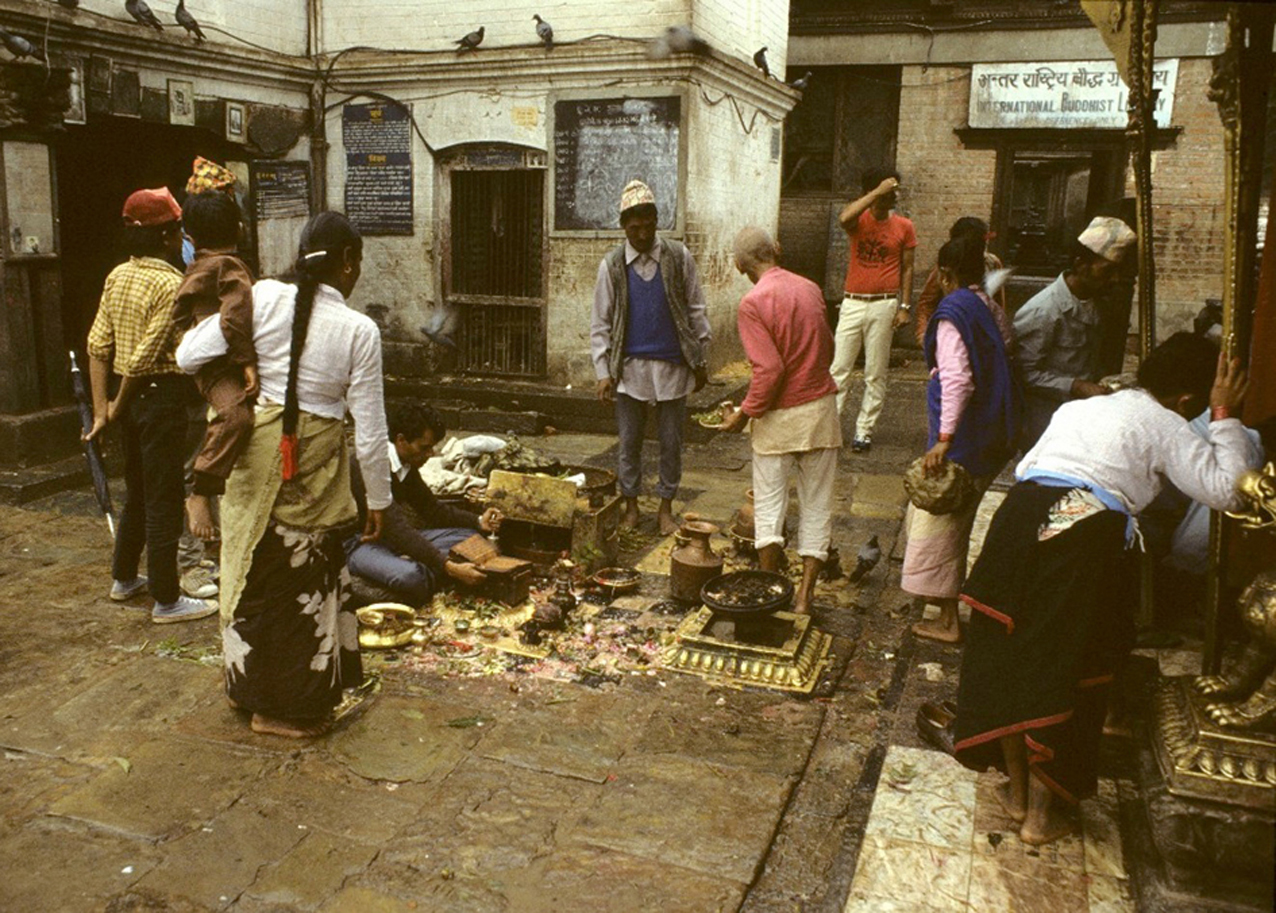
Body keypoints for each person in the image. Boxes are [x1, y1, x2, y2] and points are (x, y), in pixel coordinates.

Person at [952, 333, 1252, 846]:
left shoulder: (1084, 407)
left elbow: (1029, 466)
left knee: (1010, 656)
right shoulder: (1167, 424)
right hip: (1081, 536)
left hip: (1019, 521)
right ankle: (1040, 817)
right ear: (1185, 401)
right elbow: (1230, 492)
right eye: (1200, 404)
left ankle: (1018, 794)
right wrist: (1224, 415)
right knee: (1070, 666)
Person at [177, 211, 391, 739]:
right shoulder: (359, 330)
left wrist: (244, 366)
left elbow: (187, 356)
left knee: (254, 575)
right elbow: (369, 429)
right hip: (312, 467)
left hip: (252, 460)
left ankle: (245, 690)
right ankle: (279, 710)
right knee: (302, 588)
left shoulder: (263, 297)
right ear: (347, 263)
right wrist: (380, 501)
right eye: (357, 263)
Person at [84, 187, 218, 625]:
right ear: (167, 236)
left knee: (138, 492)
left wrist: (104, 405)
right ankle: (166, 598)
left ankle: (124, 577)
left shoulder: (117, 275)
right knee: (162, 499)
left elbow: (97, 344)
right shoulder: (168, 283)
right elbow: (142, 358)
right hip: (157, 397)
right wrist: (116, 405)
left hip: (132, 398)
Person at [719, 227, 841, 614]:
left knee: (769, 510)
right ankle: (804, 596)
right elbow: (829, 347)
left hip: (778, 420)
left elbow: (769, 370)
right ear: (777, 249)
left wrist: (744, 412)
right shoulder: (810, 288)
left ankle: (771, 592)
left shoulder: (753, 302)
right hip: (820, 411)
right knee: (817, 507)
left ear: (740, 265)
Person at [905, 235, 1020, 644]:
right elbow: (1006, 344)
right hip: (990, 430)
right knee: (955, 520)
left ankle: (948, 620)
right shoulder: (986, 304)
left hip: (966, 437)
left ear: (945, 273)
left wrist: (943, 439)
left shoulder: (952, 312)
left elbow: (958, 379)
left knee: (942, 523)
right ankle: (943, 609)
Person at [591, 179, 711, 534]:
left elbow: (696, 308)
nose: (641, 235)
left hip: (673, 364)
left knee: (671, 443)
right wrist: (603, 370)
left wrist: (700, 358)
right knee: (629, 443)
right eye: (634, 228)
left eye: (647, 226)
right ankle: (631, 506)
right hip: (630, 369)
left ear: (657, 221)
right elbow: (600, 322)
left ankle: (665, 508)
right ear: (623, 227)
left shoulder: (678, 256)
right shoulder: (612, 266)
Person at [347, 402, 503, 604]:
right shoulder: (369, 465)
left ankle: (418, 568)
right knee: (411, 577)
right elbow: (397, 529)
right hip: (360, 543)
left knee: (472, 537)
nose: (430, 454)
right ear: (401, 440)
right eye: (424, 447)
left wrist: (478, 520)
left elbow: (432, 509)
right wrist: (449, 567)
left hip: (392, 541)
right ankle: (421, 575)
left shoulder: (406, 466)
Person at [173, 189, 257, 542]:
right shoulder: (229, 266)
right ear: (239, 230)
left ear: (190, 238)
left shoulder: (198, 266)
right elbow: (235, 318)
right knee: (237, 416)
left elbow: (177, 315)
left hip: (211, 361)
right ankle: (201, 490)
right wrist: (247, 362)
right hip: (222, 366)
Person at [1013, 215, 1135, 450]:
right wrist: (1076, 386)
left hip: (1081, 415)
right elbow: (1023, 374)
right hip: (1045, 420)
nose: (1115, 279)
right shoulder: (1043, 310)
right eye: (1107, 271)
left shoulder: (1097, 301)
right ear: (1081, 265)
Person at [831, 168, 917, 453]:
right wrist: (876, 192)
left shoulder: (904, 226)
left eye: (894, 190)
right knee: (839, 369)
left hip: (883, 303)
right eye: (890, 190)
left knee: (875, 372)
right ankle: (830, 428)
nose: (894, 195)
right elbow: (843, 218)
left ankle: (863, 431)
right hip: (853, 302)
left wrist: (905, 306)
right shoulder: (859, 220)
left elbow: (908, 267)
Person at [912, 217, 1009, 350]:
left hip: (981, 335)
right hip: (952, 332)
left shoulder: (991, 263)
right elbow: (927, 303)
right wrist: (924, 335)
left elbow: (998, 303)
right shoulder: (948, 266)